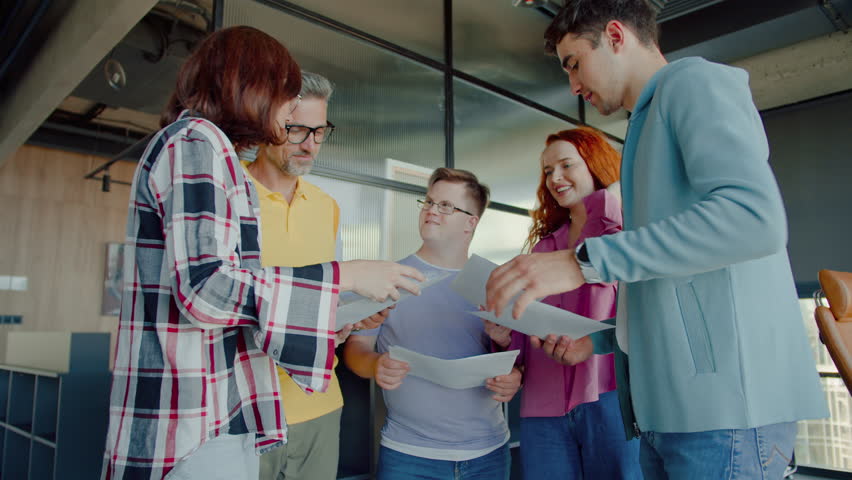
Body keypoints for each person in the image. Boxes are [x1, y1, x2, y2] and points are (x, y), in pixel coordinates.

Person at [484, 2, 828, 479]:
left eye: (575, 63)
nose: (574, 86)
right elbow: (668, 284)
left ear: (616, 36)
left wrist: (582, 262)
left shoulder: (693, 84)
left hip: (722, 414)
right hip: (667, 414)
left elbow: (754, 218)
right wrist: (598, 343)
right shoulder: (642, 131)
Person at [101, 26, 423, 480]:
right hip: (195, 416)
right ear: (252, 88)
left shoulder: (211, 151)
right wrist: (342, 275)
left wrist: (338, 311)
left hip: (218, 408)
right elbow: (206, 288)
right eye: (287, 103)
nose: (290, 117)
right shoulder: (197, 142)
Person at [343, 168, 522, 480]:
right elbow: (357, 349)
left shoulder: (496, 283)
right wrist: (375, 366)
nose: (431, 211)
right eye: (428, 202)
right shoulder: (388, 277)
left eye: (446, 206)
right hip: (408, 456)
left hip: (489, 455)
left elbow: (521, 359)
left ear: (471, 222)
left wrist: (514, 375)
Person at [484, 126, 641, 479]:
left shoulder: (625, 234)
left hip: (610, 398)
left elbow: (648, 317)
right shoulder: (542, 249)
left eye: (566, 165)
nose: (555, 178)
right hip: (543, 407)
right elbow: (527, 333)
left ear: (595, 165)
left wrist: (606, 203)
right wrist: (505, 338)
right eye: (547, 170)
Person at [241, 71, 354, 480]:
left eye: (320, 132)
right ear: (268, 123)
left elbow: (329, 295)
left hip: (321, 406)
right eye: (297, 130)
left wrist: (346, 322)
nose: (310, 144)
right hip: (246, 408)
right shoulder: (231, 192)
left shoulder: (327, 206)